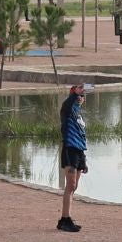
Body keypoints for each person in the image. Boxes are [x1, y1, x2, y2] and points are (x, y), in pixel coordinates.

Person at [56, 84, 88, 233]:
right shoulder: (67, 110)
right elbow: (69, 102)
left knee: (74, 187)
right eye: (78, 96)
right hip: (69, 150)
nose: (80, 98)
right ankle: (66, 219)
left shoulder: (79, 114)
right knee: (70, 185)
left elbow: (82, 136)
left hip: (79, 152)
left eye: (82, 96)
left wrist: (84, 159)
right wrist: (74, 93)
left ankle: (65, 218)